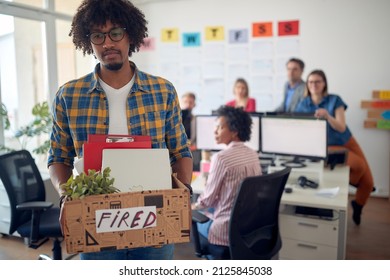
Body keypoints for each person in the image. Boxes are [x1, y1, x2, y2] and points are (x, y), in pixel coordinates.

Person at [47, 0, 193, 260]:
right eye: (98, 36)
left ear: (130, 36)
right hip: (96, 222)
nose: (107, 43)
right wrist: (66, 198)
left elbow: (181, 151)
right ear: (88, 42)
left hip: (153, 218)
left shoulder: (163, 91)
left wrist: (183, 194)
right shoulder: (69, 95)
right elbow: (58, 157)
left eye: (116, 33)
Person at [295, 69, 374, 225]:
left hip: (347, 140)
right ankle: (342, 186)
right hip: (328, 145)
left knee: (368, 183)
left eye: (318, 81)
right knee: (358, 165)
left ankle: (357, 206)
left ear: (324, 84)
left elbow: (341, 127)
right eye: (310, 82)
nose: (314, 85)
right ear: (307, 84)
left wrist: (327, 115)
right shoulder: (303, 104)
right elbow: (300, 130)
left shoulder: (335, 100)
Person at [192, 106, 262, 259]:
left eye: (219, 127)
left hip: (225, 232)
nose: (214, 131)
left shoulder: (221, 158)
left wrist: (193, 206)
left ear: (234, 131)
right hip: (248, 229)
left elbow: (207, 200)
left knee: (195, 222)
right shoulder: (253, 154)